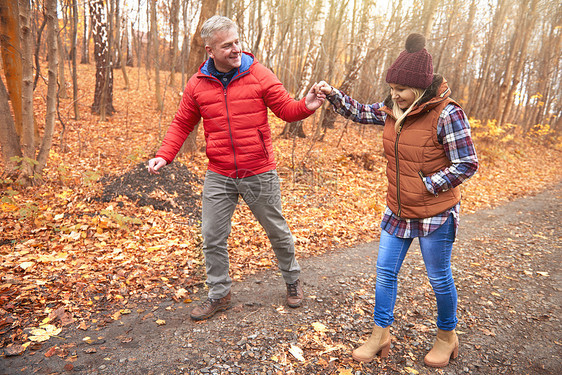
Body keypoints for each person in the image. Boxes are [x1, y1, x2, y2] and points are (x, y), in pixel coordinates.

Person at [148, 15, 325, 321]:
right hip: (219, 173)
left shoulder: (258, 74)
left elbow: (286, 109)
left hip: (259, 171)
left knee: (277, 232)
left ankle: (292, 280)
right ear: (210, 51)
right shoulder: (197, 84)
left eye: (237, 41)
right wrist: (165, 154)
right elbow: (182, 123)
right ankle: (220, 294)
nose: (235, 49)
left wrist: (307, 105)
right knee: (211, 236)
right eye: (227, 45)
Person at [317, 33, 478, 367]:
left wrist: (430, 184)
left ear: (419, 89)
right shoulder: (393, 110)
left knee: (438, 277)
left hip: (435, 212)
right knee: (385, 272)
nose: (394, 96)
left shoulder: (447, 115)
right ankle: (380, 334)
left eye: (401, 90)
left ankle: (447, 336)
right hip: (397, 210)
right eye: (391, 89)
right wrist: (334, 95)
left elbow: (467, 163)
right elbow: (361, 112)